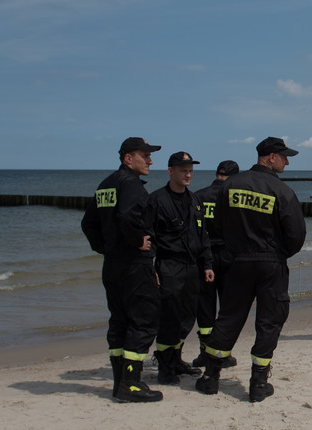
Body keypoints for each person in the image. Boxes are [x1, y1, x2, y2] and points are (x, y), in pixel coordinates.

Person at [196, 137, 306, 402]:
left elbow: (219, 224)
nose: (287, 161)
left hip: (237, 262)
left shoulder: (231, 184)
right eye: (284, 157)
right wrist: (277, 255)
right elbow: (296, 235)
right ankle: (258, 383)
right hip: (270, 263)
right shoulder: (281, 190)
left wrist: (236, 249)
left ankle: (211, 376)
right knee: (270, 320)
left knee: (228, 317)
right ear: (271, 157)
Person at [80, 137, 163, 403]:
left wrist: (107, 248)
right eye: (145, 155)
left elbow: (88, 223)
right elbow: (128, 216)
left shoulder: (106, 185)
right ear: (128, 158)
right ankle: (131, 384)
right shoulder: (130, 185)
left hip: (113, 264)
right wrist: (136, 241)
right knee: (144, 320)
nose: (150, 160)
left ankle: (120, 384)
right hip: (133, 265)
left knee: (119, 321)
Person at [149, 151, 213, 385]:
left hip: (192, 266)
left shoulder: (194, 200)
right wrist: (151, 268)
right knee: (169, 317)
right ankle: (165, 366)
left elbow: (203, 235)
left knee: (187, 317)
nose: (188, 175)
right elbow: (150, 237)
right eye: (183, 170)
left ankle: (176, 359)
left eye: (190, 171)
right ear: (170, 171)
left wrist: (207, 264)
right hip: (169, 266)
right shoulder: (157, 200)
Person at [193, 160, 241, 368]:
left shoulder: (199, 196)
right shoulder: (234, 197)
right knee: (227, 306)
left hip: (203, 256)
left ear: (216, 174)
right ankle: (220, 353)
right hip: (228, 255)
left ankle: (204, 351)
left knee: (205, 305)